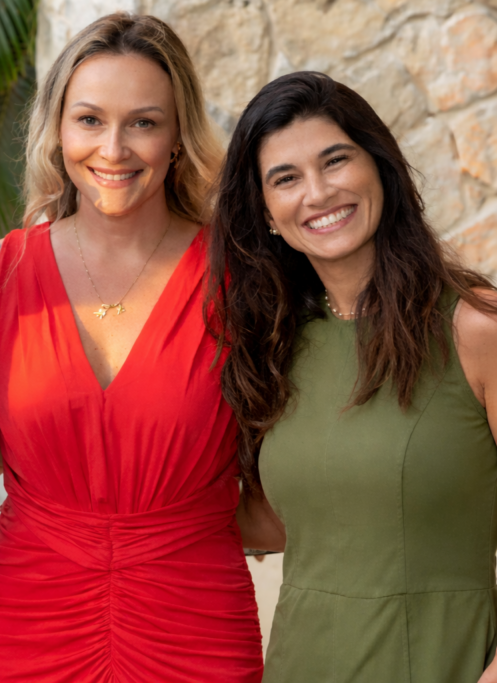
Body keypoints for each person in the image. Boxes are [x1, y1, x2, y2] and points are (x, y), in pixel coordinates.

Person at [0, 12, 263, 682]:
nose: (114, 148)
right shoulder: (1, 271)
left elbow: (288, 458)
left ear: (178, 137)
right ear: (58, 129)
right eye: (90, 120)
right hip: (27, 617)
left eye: (143, 123)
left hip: (193, 621)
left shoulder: (241, 276)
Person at [209, 71, 497, 683]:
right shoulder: (274, 346)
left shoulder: (476, 328)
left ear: (380, 168)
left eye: (335, 160)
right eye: (285, 178)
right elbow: (276, 520)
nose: (317, 193)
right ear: (265, 212)